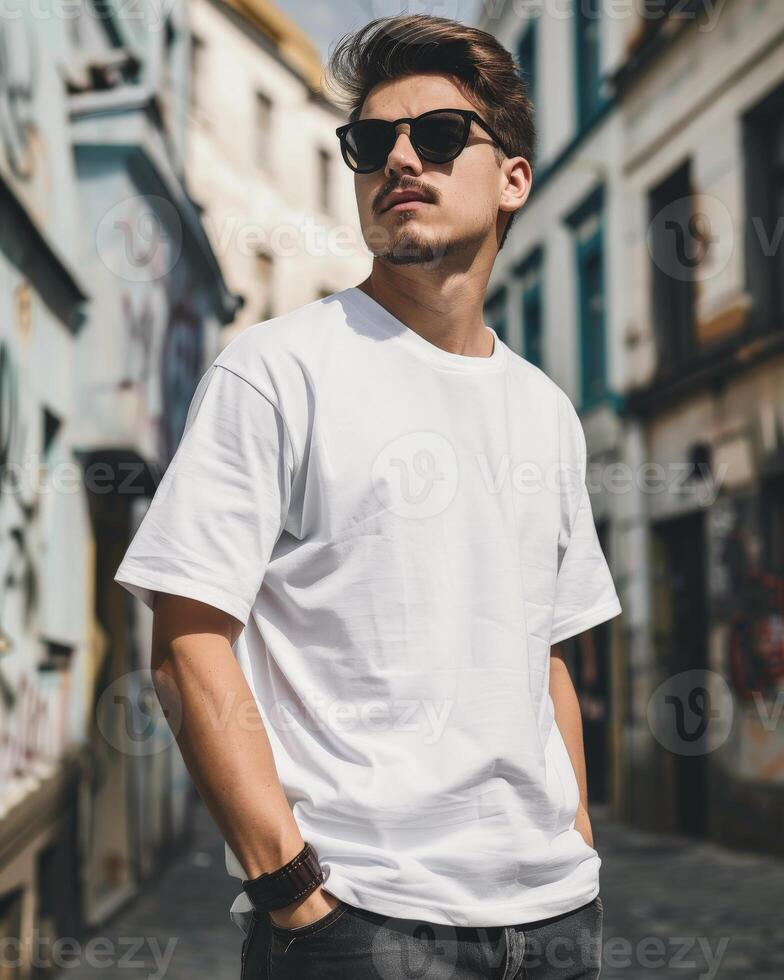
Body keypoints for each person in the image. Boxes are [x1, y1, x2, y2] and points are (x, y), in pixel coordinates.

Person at [114, 13, 621, 979]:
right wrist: (294, 893)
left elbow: (546, 656)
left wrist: (577, 843)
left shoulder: (547, 411)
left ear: (514, 177)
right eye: (369, 141)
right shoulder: (276, 370)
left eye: (436, 136)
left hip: (555, 918)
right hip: (363, 924)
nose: (398, 158)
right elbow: (186, 644)